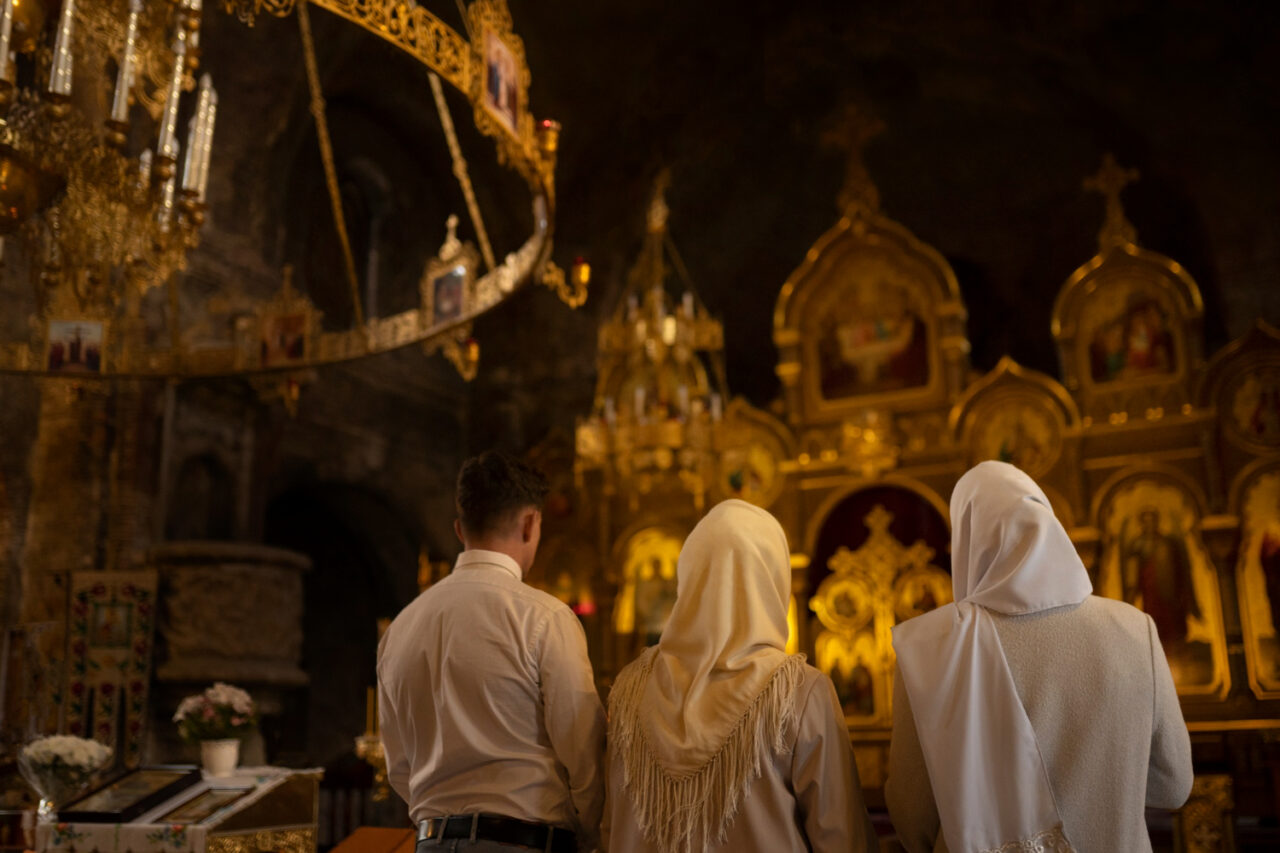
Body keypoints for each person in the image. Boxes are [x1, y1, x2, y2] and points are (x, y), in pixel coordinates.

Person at [886, 461, 1193, 853]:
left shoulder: (927, 646)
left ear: (965, 535)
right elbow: (1174, 786)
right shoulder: (1135, 629)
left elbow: (913, 817)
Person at [603, 499, 879, 853]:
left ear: (689, 575)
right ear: (771, 578)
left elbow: (610, 827)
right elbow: (842, 837)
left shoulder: (628, 686)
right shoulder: (798, 690)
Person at [378, 451, 606, 853]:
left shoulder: (401, 627)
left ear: (460, 529)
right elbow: (584, 755)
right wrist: (591, 835)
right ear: (531, 523)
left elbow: (398, 765)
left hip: (431, 843)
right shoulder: (545, 617)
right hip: (524, 843)